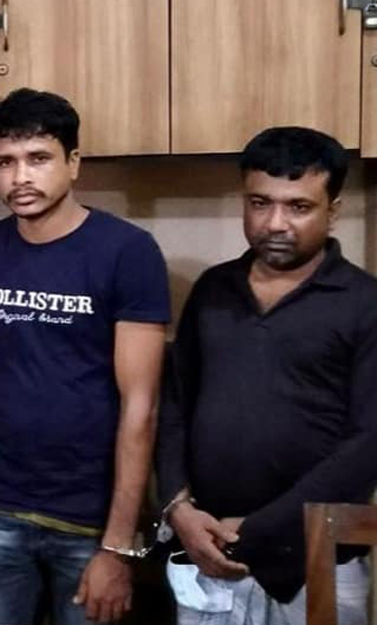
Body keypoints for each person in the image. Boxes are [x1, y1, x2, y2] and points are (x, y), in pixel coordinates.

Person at [0, 88, 169, 625]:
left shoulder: (127, 251)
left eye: (38, 159)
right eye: (5, 162)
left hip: (89, 519)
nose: (20, 177)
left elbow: (141, 407)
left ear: (73, 162)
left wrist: (117, 545)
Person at [155, 126, 377, 625]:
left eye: (298, 207)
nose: (275, 223)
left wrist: (258, 529)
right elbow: (174, 405)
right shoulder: (213, 289)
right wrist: (177, 508)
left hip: (318, 559)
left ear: (333, 211)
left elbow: (368, 445)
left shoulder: (366, 304)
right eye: (259, 203)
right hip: (207, 550)